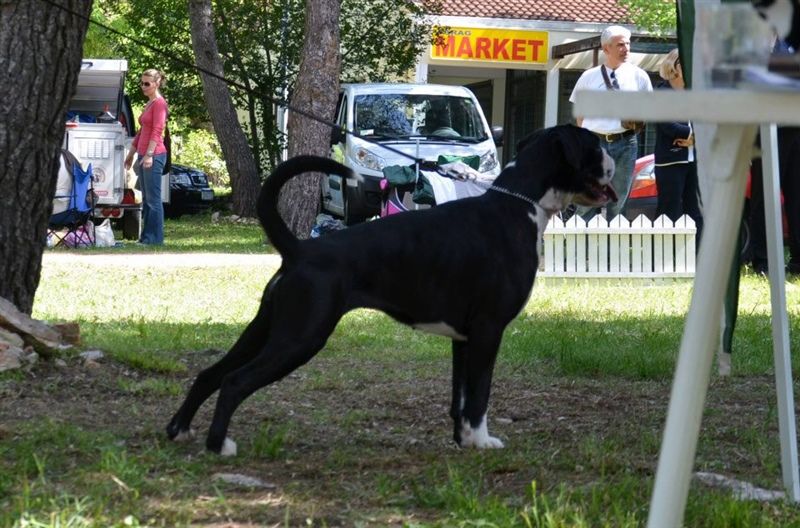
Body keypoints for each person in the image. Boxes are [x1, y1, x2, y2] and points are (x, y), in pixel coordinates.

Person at [569, 25, 653, 220]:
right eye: (620, 45)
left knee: (619, 198)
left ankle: (612, 248)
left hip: (626, 143)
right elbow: (580, 115)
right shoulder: (588, 77)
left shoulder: (639, 76)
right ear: (606, 49)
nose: (626, 49)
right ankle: (580, 245)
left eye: (628, 44)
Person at [653, 49, 703, 241]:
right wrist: (690, 134)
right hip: (671, 161)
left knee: (696, 210)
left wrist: (695, 137)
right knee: (669, 208)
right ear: (673, 65)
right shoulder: (662, 92)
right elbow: (667, 124)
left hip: (696, 161)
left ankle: (695, 257)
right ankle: (662, 256)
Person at [125, 68, 169, 245]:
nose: (143, 86)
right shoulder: (149, 103)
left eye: (147, 83)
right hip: (143, 154)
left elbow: (158, 130)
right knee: (146, 199)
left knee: (153, 200)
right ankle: (145, 237)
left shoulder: (159, 103)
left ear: (157, 83)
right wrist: (131, 154)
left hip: (155, 154)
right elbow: (142, 131)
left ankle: (155, 239)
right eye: (141, 83)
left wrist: (150, 154)